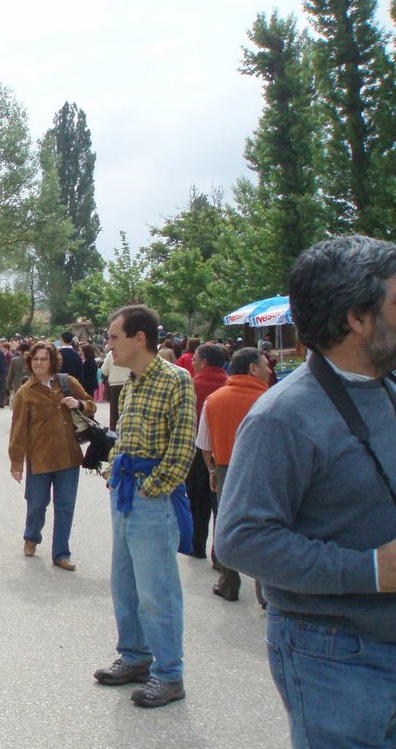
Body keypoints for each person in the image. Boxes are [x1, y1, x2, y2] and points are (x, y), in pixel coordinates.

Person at [217, 236, 396, 748]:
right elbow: (238, 539)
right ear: (357, 318)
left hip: (390, 644)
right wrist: (369, 569)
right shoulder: (283, 417)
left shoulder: (389, 385)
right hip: (335, 653)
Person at [94, 304, 196, 709]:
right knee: (125, 584)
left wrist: (151, 489)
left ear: (140, 338)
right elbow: (125, 438)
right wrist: (113, 476)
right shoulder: (131, 381)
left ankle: (169, 674)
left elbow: (182, 447)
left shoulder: (176, 380)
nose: (109, 345)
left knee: (158, 590)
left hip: (151, 498)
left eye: (114, 337)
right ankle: (135, 658)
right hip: (125, 493)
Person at [9, 340, 96, 570]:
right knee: (37, 503)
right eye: (35, 359)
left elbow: (91, 404)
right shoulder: (25, 393)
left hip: (69, 456)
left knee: (65, 505)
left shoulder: (67, 382)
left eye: (43, 359)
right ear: (30, 361)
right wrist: (16, 462)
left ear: (52, 361)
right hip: (40, 458)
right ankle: (32, 536)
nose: (39, 363)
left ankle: (61, 553)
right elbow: (18, 430)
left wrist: (78, 403)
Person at [196, 346, 271, 602]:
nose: (269, 369)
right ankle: (266, 593)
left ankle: (228, 583)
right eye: (265, 364)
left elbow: (204, 442)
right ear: (252, 368)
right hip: (264, 469)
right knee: (265, 526)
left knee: (227, 523)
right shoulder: (270, 399)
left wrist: (211, 469)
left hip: (226, 467)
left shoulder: (214, 399)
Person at [187, 342, 228, 560]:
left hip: (195, 451)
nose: (192, 363)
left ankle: (197, 545)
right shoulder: (230, 384)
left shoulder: (191, 385)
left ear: (203, 362)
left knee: (197, 500)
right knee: (220, 506)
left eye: (194, 360)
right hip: (225, 453)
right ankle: (219, 555)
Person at [101, 349, 131, 431]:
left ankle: (114, 432)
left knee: (114, 412)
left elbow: (104, 370)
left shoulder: (111, 354)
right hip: (129, 384)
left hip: (114, 385)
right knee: (128, 410)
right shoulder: (131, 351)